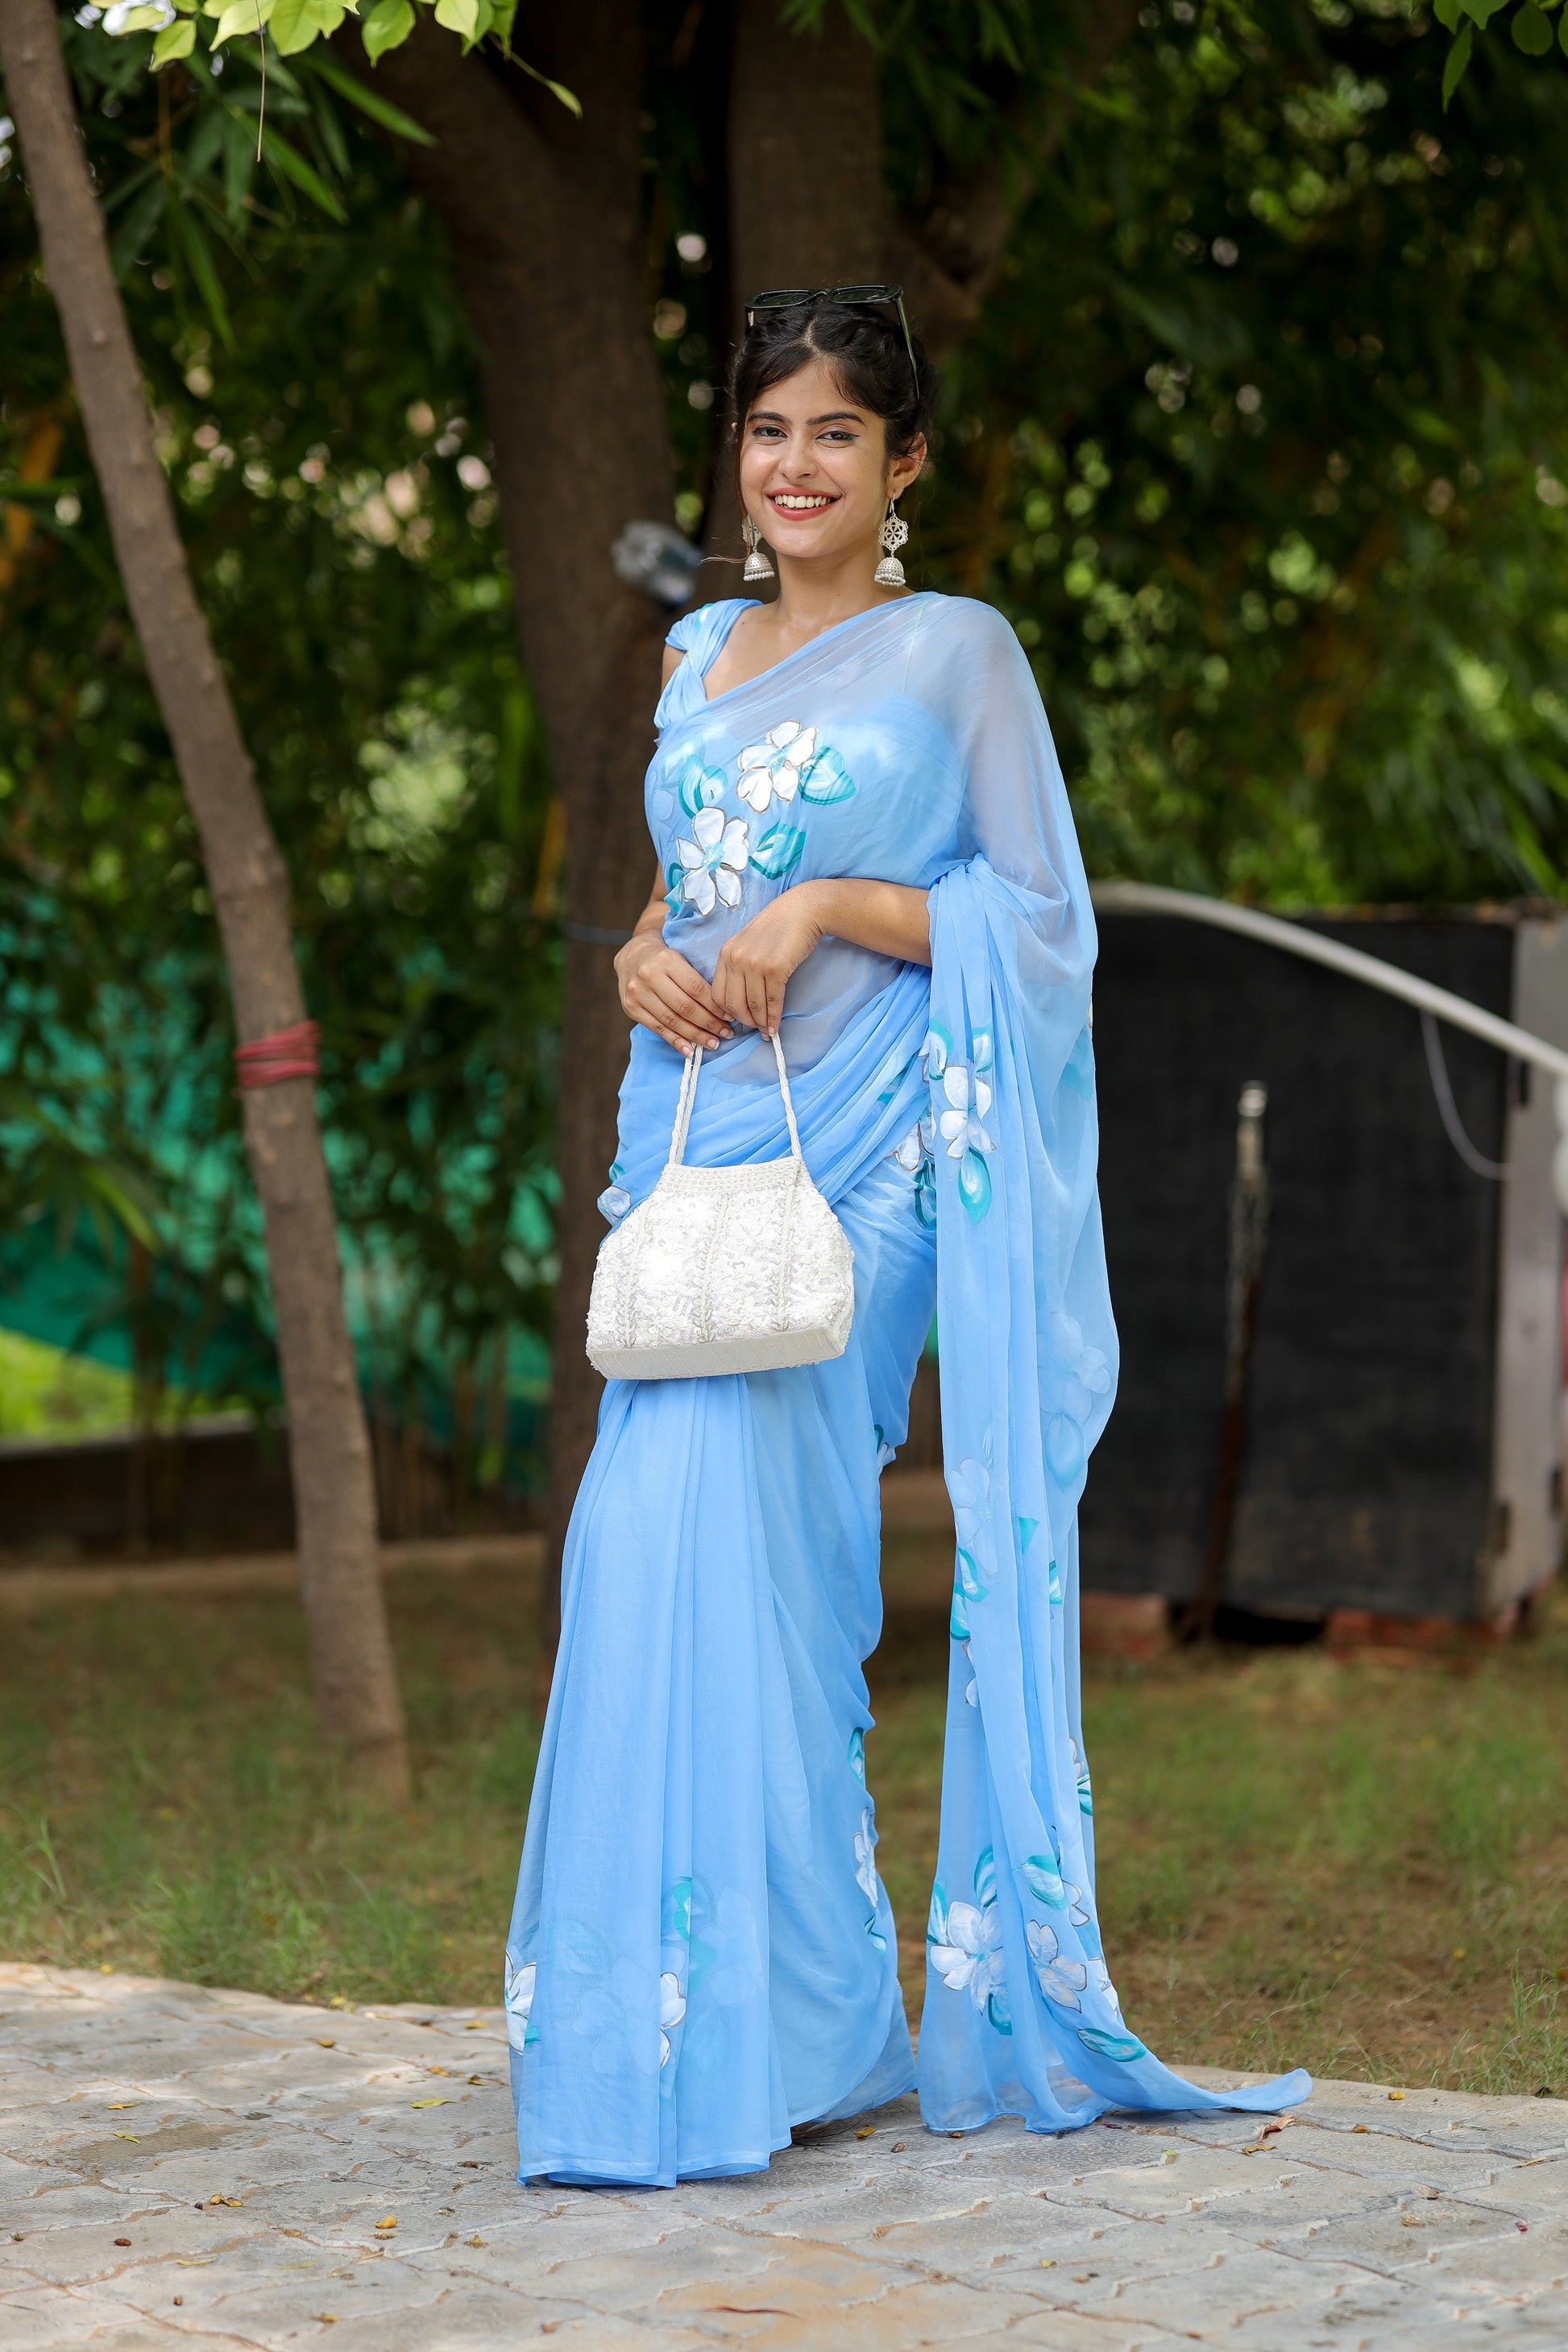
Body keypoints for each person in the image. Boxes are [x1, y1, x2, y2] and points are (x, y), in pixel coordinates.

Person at [503, 290, 1308, 2188]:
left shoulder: (956, 656)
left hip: (870, 1163)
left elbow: (1043, 921)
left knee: (741, 1547)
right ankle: (763, 2031)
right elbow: (677, 887)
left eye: (836, 432)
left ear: (903, 461)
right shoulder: (699, 649)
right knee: (658, 1557)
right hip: (700, 1142)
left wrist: (836, 907)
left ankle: (758, 2042)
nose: (793, 465)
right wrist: (639, 946)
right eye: (767, 427)